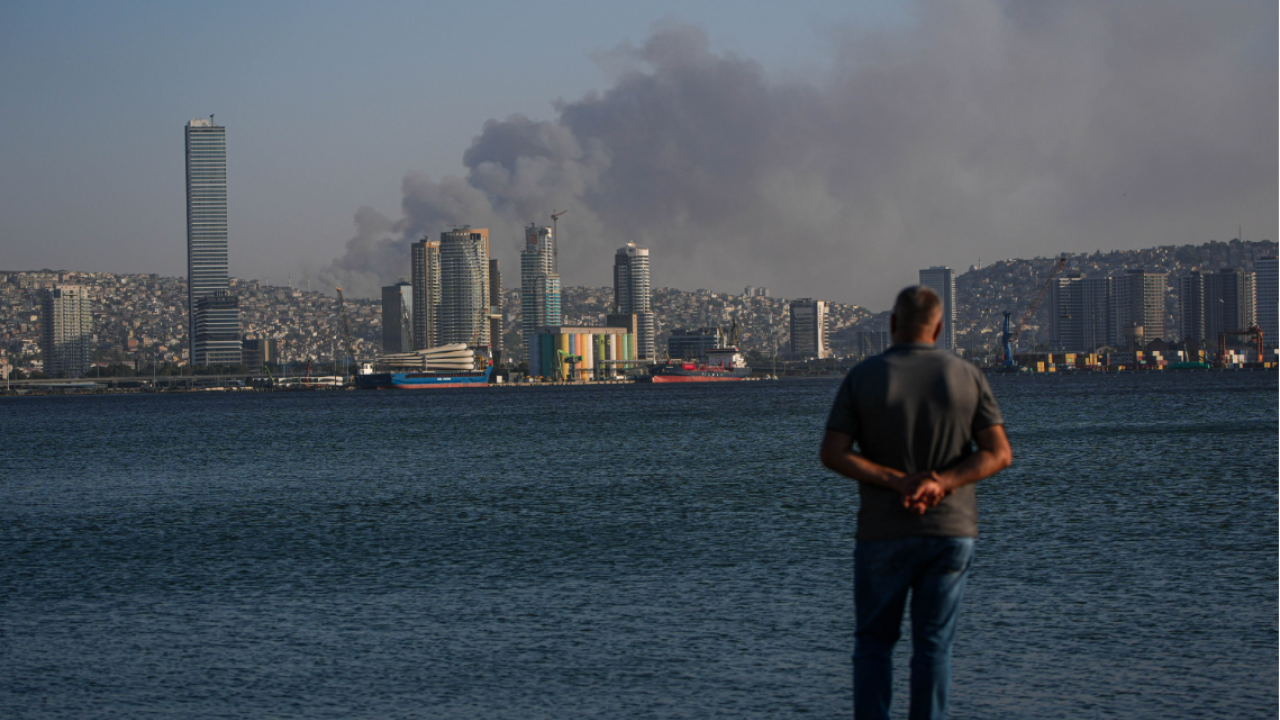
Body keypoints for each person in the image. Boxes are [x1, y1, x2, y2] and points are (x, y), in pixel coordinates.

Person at [820, 285, 1012, 720]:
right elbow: (999, 453)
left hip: (883, 531)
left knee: (873, 645)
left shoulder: (863, 377)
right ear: (939, 328)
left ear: (891, 324)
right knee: (933, 647)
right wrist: (941, 483)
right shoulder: (968, 376)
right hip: (951, 531)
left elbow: (832, 452)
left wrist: (897, 482)